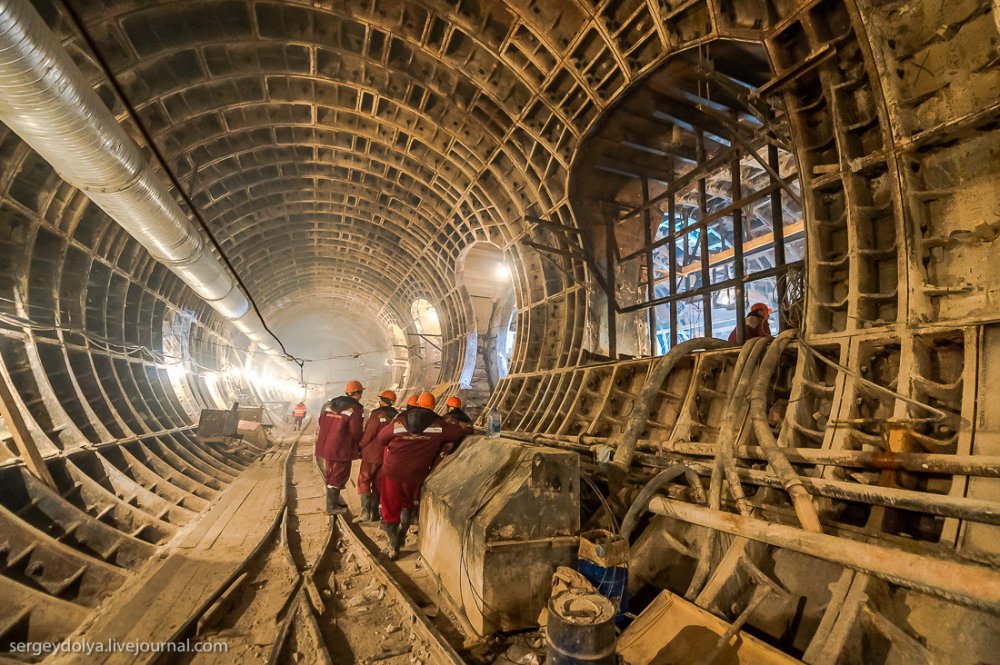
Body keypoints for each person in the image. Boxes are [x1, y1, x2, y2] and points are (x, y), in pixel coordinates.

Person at [373, 392, 465, 559]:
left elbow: (381, 438)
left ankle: (393, 546)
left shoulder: (400, 420)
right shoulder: (439, 424)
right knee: (408, 504)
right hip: (417, 473)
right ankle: (401, 536)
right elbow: (459, 432)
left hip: (393, 471)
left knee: (390, 506)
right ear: (433, 406)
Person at [315, 380, 365, 512]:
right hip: (340, 449)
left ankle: (334, 502)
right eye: (360, 393)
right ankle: (331, 507)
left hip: (326, 446)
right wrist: (361, 444)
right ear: (357, 393)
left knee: (331, 473)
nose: (361, 396)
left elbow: (321, 421)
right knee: (338, 475)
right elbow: (356, 432)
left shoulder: (330, 405)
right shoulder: (354, 409)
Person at [354, 389, 398, 523]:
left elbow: (369, 433)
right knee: (379, 484)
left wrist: (359, 446)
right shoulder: (397, 417)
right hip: (386, 455)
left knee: (364, 480)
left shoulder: (376, 415)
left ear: (381, 401)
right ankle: (375, 514)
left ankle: (365, 513)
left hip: (371, 454)